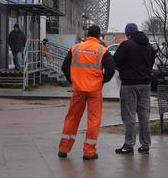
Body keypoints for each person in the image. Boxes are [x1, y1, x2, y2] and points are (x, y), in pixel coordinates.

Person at [58, 25, 116, 160]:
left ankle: (63, 148)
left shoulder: (76, 48)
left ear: (87, 34)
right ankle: (89, 151)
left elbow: (64, 66)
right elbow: (111, 68)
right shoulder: (102, 50)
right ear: (98, 36)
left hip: (78, 89)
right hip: (94, 90)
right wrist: (102, 81)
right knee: (93, 120)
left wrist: (73, 80)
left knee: (72, 118)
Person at [113, 22, 156, 155]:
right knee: (144, 115)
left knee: (129, 115)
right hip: (145, 84)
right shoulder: (149, 47)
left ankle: (129, 144)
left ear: (128, 34)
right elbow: (151, 63)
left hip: (129, 85)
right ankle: (145, 145)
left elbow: (115, 61)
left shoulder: (126, 45)